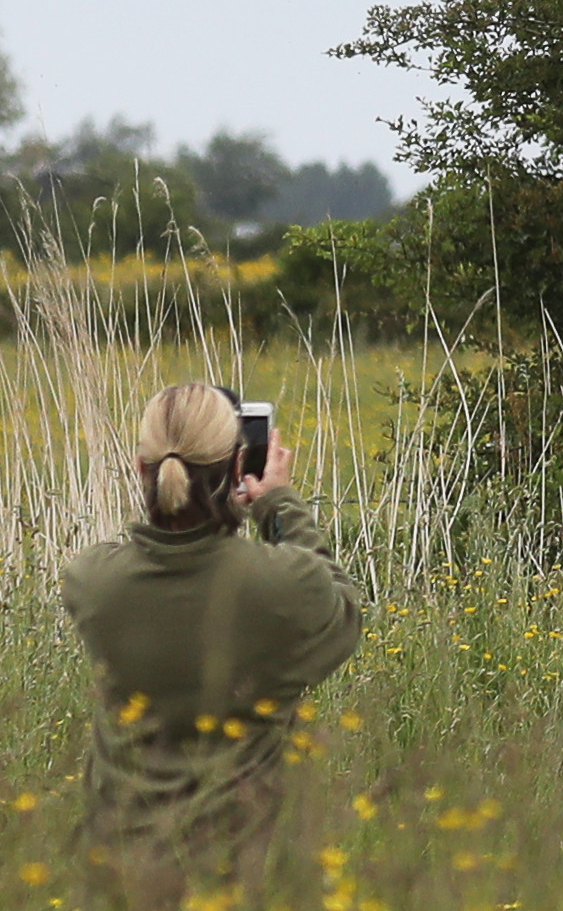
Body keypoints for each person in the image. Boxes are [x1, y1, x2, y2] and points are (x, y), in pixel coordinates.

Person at [62, 383, 363, 910]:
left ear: (141, 467)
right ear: (236, 463)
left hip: (119, 875)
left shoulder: (90, 582)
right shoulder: (282, 585)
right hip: (242, 872)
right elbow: (340, 608)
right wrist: (278, 505)